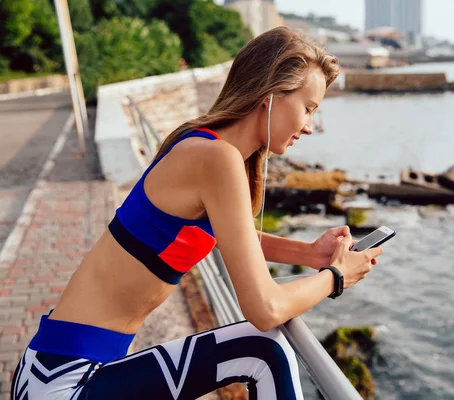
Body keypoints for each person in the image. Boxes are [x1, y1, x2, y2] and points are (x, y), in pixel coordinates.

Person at [11, 26, 383, 400]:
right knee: (265, 350)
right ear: (270, 95)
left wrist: (307, 254)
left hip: (61, 369)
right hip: (61, 381)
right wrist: (336, 276)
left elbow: (224, 234)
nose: (309, 126)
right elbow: (265, 309)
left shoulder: (207, 147)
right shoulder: (215, 158)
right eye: (308, 108)